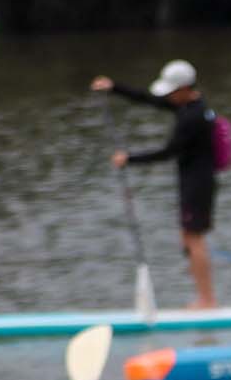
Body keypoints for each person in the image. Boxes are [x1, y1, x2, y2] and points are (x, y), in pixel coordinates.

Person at [92, 60, 219, 308]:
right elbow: (151, 99)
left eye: (171, 92)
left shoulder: (192, 117)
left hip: (198, 184)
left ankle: (207, 301)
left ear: (183, 89)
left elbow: (168, 152)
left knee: (194, 241)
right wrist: (114, 87)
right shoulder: (189, 105)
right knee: (188, 238)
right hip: (193, 182)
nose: (168, 97)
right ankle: (201, 295)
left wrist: (129, 159)